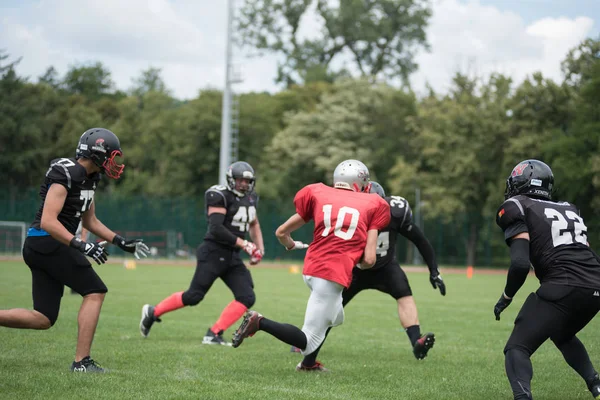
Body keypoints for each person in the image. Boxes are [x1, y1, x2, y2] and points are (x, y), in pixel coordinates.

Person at [0, 128, 150, 373]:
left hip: (45, 245)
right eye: (112, 156)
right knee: (95, 291)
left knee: (44, 318)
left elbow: (90, 221)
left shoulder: (90, 177)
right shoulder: (67, 172)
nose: (114, 163)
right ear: (97, 153)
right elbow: (49, 220)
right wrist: (81, 245)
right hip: (47, 242)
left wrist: (121, 241)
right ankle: (82, 362)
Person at [231, 159, 391, 372]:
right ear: (359, 183)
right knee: (307, 342)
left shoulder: (319, 192)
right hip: (331, 275)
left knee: (335, 317)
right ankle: (259, 322)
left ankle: (308, 365)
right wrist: (356, 260)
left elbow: (281, 232)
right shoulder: (374, 204)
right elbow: (370, 260)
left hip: (312, 268)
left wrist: (290, 244)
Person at [291, 181, 445, 360]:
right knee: (330, 307)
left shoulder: (389, 213)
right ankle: (307, 347)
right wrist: (433, 270)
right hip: (356, 268)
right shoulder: (364, 211)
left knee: (405, 296)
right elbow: (421, 241)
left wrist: (434, 270)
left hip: (383, 267)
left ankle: (416, 342)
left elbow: (419, 240)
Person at [494, 159, 600, 400]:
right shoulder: (569, 208)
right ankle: (596, 385)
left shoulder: (517, 206)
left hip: (562, 285)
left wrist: (506, 296)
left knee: (517, 348)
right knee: (562, 334)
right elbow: (584, 250)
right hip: (596, 285)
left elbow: (520, 264)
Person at [139, 161, 264, 345]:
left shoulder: (251, 198)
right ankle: (153, 312)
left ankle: (214, 333)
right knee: (194, 296)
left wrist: (259, 248)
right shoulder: (219, 195)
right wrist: (245, 244)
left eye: (247, 181)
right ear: (231, 179)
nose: (244, 184)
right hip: (213, 252)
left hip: (232, 255)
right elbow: (216, 228)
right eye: (240, 180)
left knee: (247, 296)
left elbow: (254, 224)